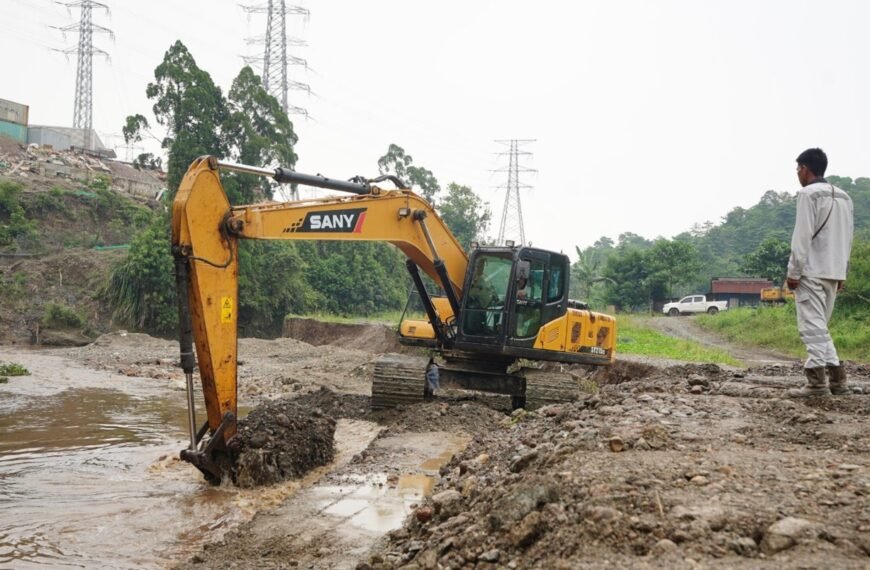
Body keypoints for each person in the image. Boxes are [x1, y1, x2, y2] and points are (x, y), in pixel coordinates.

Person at [785, 148, 854, 397]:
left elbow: (802, 235)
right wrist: (843, 272)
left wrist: (794, 271)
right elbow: (848, 236)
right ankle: (837, 379)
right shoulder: (845, 197)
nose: (797, 175)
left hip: (812, 271)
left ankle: (816, 383)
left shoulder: (808, 194)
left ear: (805, 168)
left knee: (811, 327)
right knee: (820, 327)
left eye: (798, 170)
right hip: (834, 271)